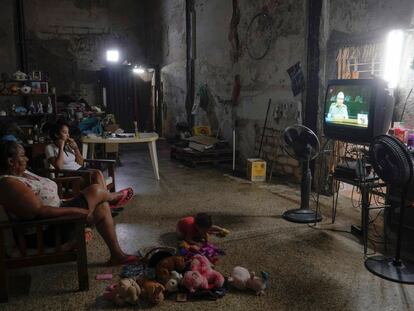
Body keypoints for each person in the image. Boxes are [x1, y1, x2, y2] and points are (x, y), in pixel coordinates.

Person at [0, 141, 137, 266]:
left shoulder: (21, 174)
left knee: (101, 205)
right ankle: (113, 197)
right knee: (95, 190)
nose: (27, 159)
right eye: (23, 156)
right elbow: (39, 211)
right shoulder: (9, 184)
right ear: (11, 161)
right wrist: (79, 211)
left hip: (57, 215)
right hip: (47, 230)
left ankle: (117, 255)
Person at [45, 120, 107, 190]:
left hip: (80, 171)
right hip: (68, 175)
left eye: (68, 132)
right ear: (56, 134)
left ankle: (105, 196)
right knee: (93, 180)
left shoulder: (68, 146)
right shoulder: (49, 147)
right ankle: (104, 197)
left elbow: (81, 163)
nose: (68, 135)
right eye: (65, 132)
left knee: (97, 173)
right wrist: (61, 147)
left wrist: (76, 148)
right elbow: (59, 167)